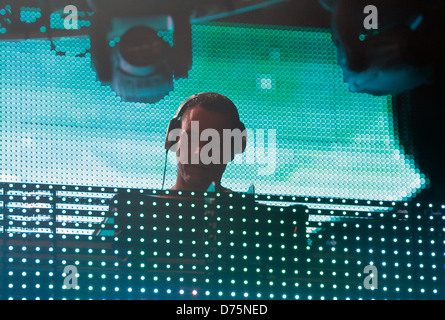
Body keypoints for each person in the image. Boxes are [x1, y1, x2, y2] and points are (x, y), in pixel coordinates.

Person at [166, 92, 247, 193]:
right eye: (191, 139)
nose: (200, 152)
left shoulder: (249, 209)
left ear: (232, 149)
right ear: (174, 140)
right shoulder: (148, 208)